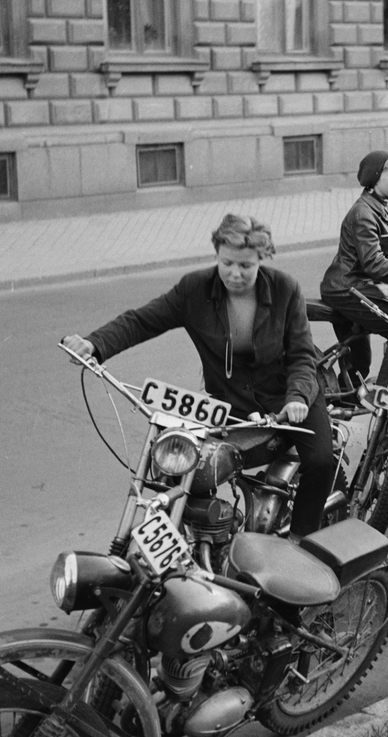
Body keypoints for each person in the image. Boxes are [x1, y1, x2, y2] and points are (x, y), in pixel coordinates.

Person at [61, 214, 336, 537]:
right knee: (187, 467)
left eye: (245, 266)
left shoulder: (285, 289)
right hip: (231, 403)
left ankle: (301, 538)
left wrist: (298, 398)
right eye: (227, 263)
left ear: (262, 258)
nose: (235, 273)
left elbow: (303, 356)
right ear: (216, 255)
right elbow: (141, 321)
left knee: (320, 462)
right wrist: (95, 344)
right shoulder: (195, 289)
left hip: (290, 398)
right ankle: (210, 537)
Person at [320, 150, 388, 384]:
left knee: (359, 361)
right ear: (375, 179)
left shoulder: (384, 206)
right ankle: (383, 396)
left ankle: (351, 393)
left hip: (365, 286)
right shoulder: (363, 213)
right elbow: (374, 263)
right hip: (348, 287)